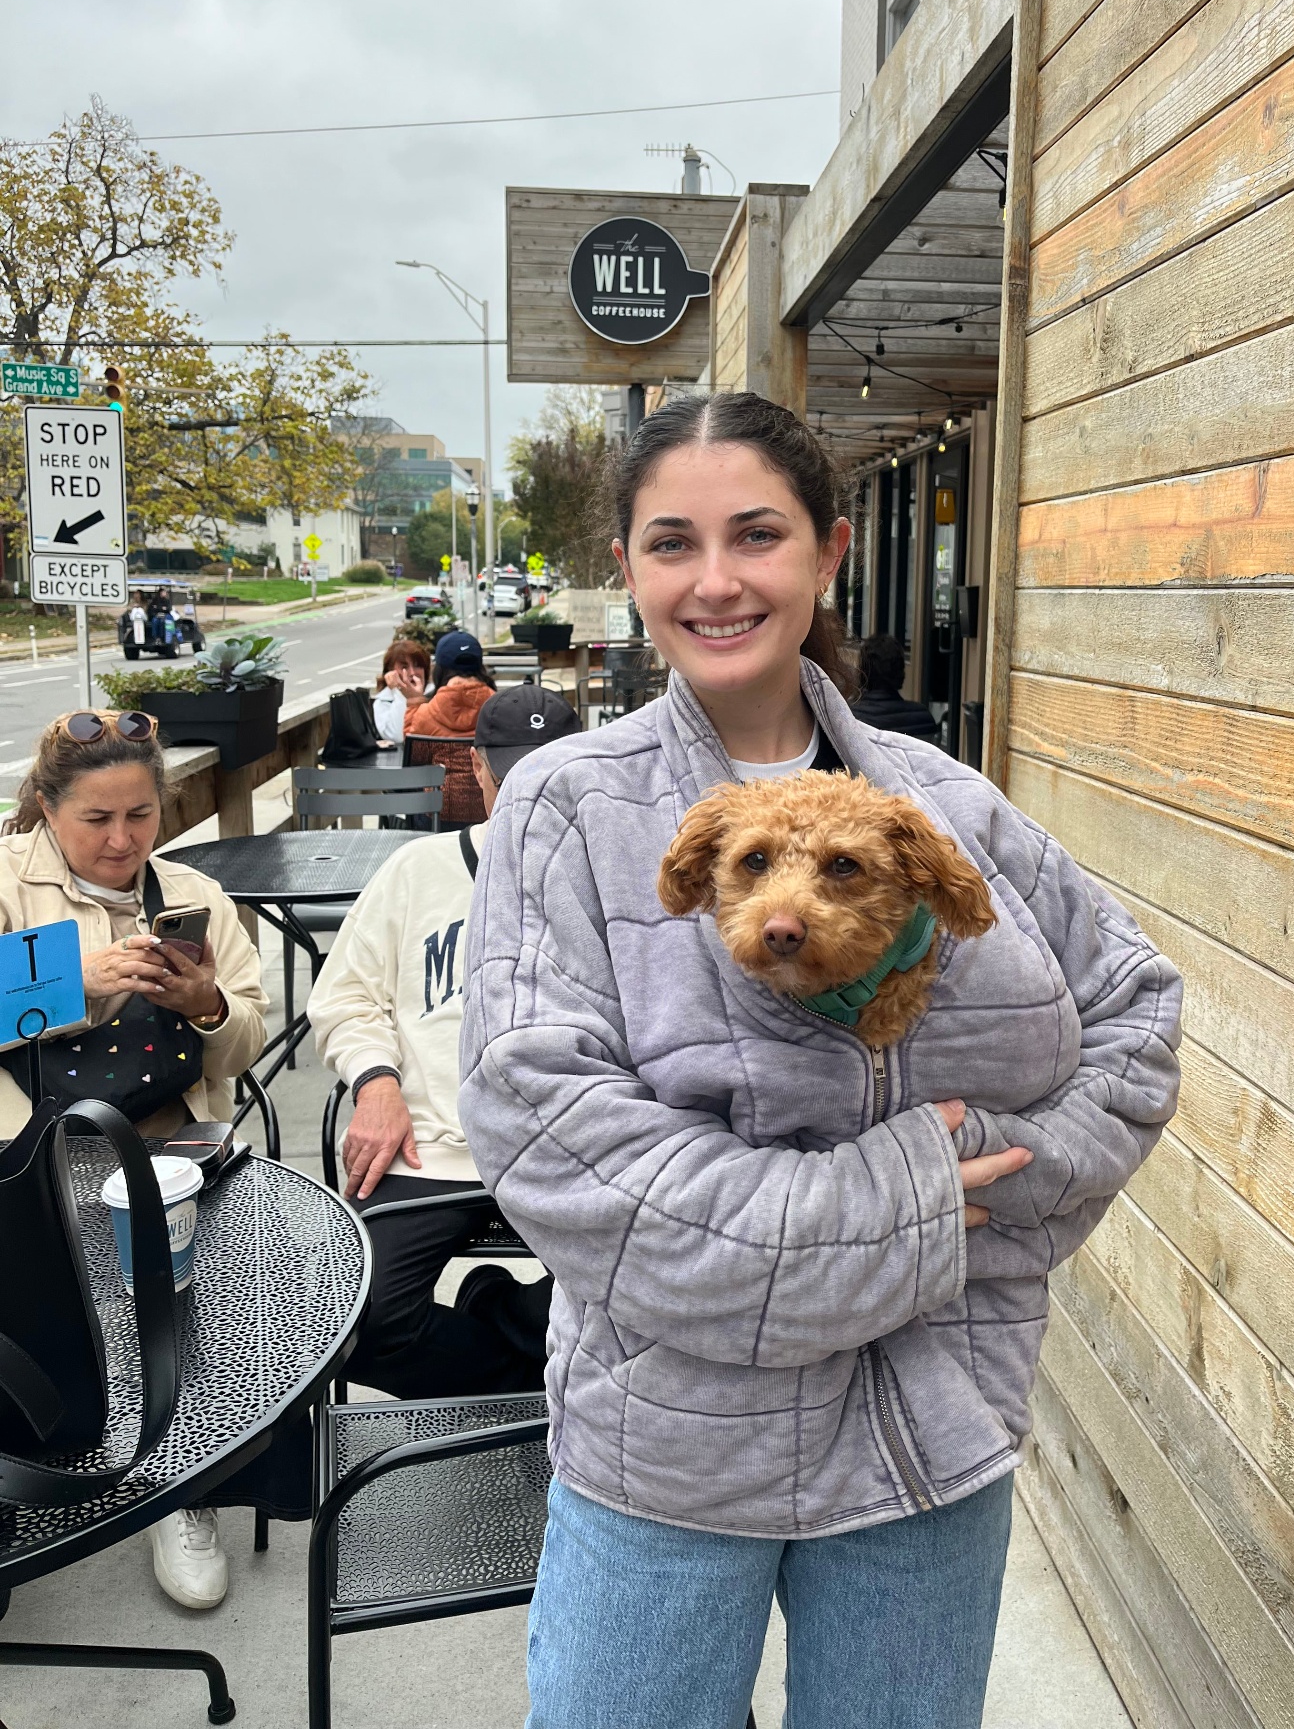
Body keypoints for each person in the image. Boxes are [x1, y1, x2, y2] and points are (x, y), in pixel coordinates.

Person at [460, 392, 1182, 1729]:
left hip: (931, 1437)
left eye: (757, 535)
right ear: (628, 568)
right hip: (669, 1451)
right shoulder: (569, 810)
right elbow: (549, 1141)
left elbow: (1138, 1012)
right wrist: (905, 1203)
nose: (716, 580)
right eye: (672, 543)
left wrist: (1003, 1183)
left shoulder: (945, 804)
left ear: (830, 552)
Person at [0, 710, 268, 1614]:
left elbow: (246, 1043)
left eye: (141, 816)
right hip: (24, 1152)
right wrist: (77, 985)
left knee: (188, 1301)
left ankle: (178, 1484)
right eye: (97, 819)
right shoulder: (5, 880)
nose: (122, 841)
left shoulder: (193, 893)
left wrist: (206, 1004)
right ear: (47, 809)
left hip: (165, 1140)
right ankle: (33, 1459)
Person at [307, 683, 580, 1401]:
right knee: (353, 1321)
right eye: (515, 776)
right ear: (479, 769)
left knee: (653, 1290)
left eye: (552, 777)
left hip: (573, 1152)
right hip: (433, 1149)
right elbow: (343, 998)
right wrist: (375, 1084)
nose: (531, 797)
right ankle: (526, 1385)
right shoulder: (415, 870)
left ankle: (497, 1308)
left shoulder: (617, 878)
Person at [403, 629, 496, 737]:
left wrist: (414, 700)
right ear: (481, 668)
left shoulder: (424, 716)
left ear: (439, 670)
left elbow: (410, 742)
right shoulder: (501, 709)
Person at [372, 637, 430, 744]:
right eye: (404, 667)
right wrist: (399, 692)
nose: (412, 673)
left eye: (417, 666)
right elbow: (398, 736)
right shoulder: (383, 701)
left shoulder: (435, 693)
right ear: (391, 671)